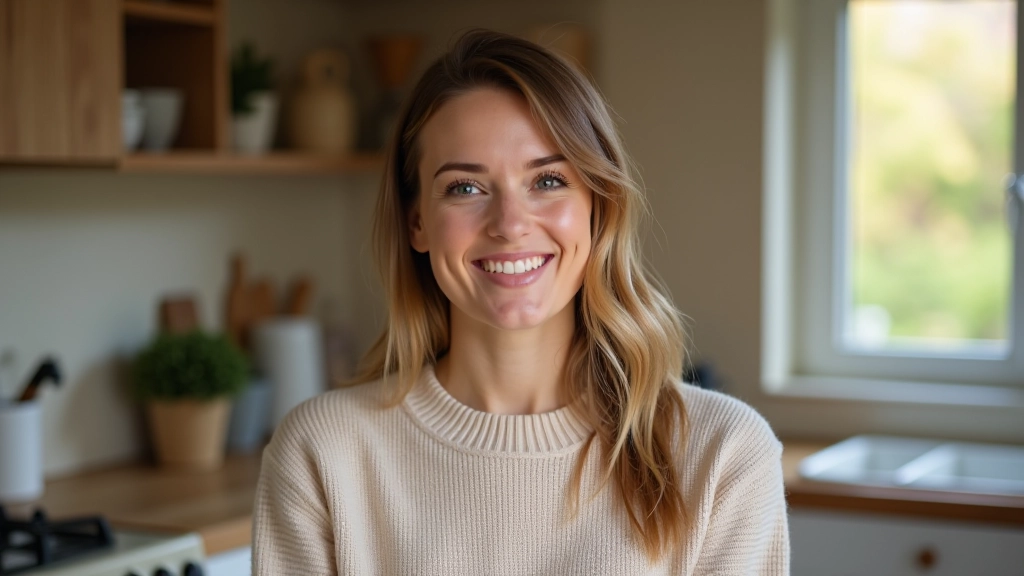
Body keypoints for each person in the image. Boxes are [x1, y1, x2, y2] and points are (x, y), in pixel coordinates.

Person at [253, 28, 789, 575]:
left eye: (548, 180)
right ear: (417, 221)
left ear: (597, 207)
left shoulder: (722, 455)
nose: (510, 225)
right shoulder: (322, 453)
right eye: (465, 187)